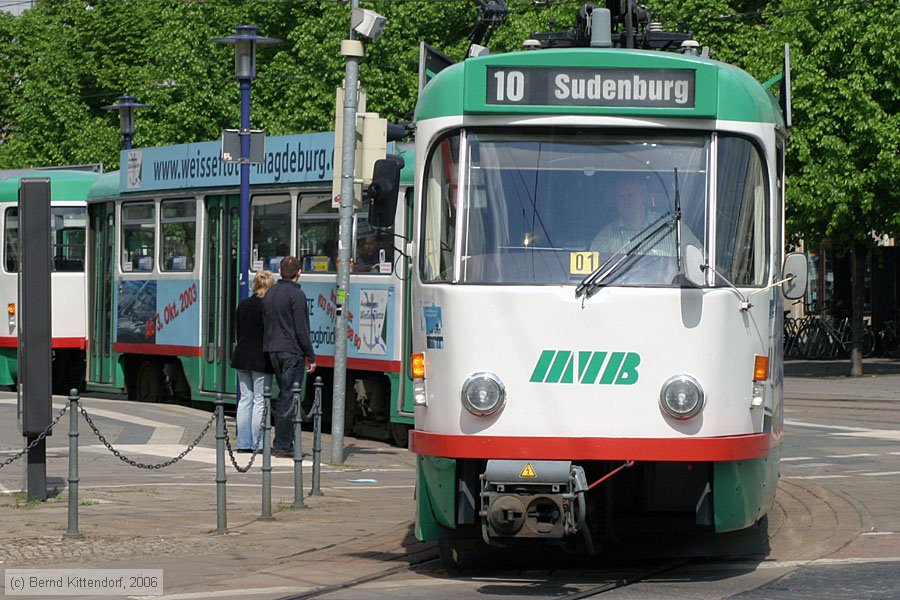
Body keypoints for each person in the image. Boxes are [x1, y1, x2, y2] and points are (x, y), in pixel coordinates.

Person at [262, 256, 317, 458]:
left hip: (273, 349)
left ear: (280, 271)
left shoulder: (271, 293)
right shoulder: (297, 295)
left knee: (283, 393)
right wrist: (310, 355)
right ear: (299, 272)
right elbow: (302, 330)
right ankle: (283, 444)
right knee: (289, 395)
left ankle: (282, 441)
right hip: (291, 351)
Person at [590, 175, 699, 257]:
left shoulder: (671, 229)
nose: (626, 201)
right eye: (621, 197)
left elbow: (702, 261)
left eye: (630, 195)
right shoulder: (605, 238)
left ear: (644, 196)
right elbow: (592, 274)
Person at [231, 270, 276, 453]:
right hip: (261, 359)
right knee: (260, 401)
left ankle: (243, 443)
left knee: (245, 400)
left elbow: (238, 331)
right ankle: (259, 443)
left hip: (241, 357)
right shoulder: (268, 307)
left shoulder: (243, 305)